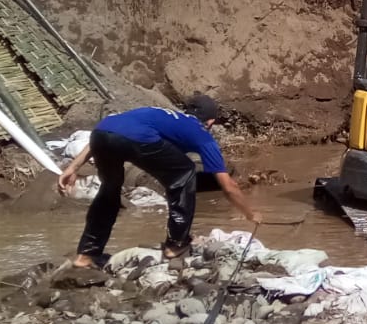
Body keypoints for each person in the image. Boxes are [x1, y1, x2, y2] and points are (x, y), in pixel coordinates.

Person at [56, 94, 258, 268]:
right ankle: (176, 244)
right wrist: (251, 214)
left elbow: (112, 129)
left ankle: (87, 255)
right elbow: (228, 186)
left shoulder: (165, 116)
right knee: (185, 173)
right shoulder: (201, 133)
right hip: (133, 137)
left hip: (100, 134)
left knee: (109, 189)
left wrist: (72, 167)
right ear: (211, 122)